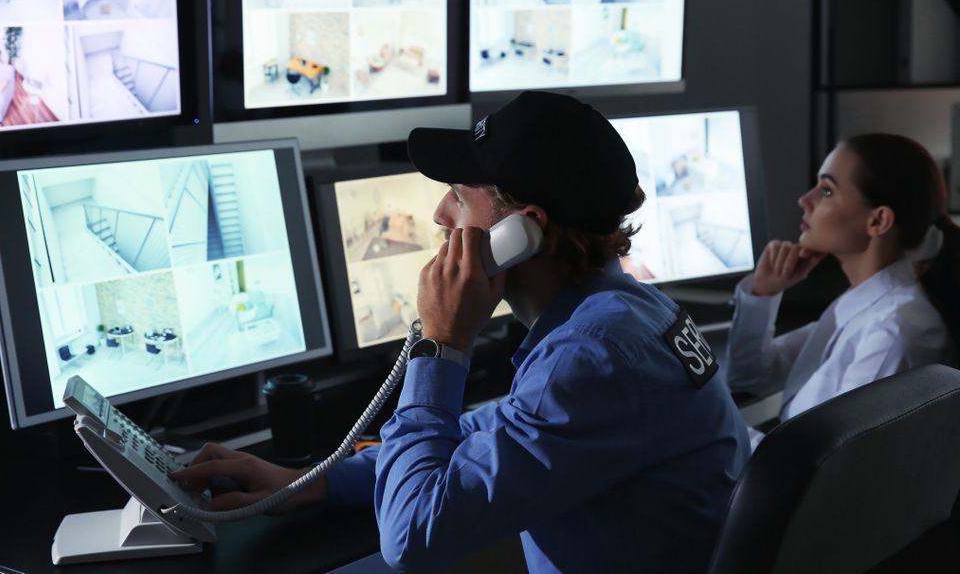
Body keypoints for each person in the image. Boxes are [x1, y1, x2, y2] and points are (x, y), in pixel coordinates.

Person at [171, 91, 750, 573]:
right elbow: (499, 431)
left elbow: (411, 537)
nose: (441, 216)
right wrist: (314, 481)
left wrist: (442, 345)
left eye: (458, 196)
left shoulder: (593, 356)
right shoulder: (628, 311)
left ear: (521, 233)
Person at [725, 133, 960, 449]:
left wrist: (713, 425)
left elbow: (822, 469)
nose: (804, 200)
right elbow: (750, 376)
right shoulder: (863, 305)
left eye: (826, 190)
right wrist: (762, 292)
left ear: (878, 221)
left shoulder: (893, 334)